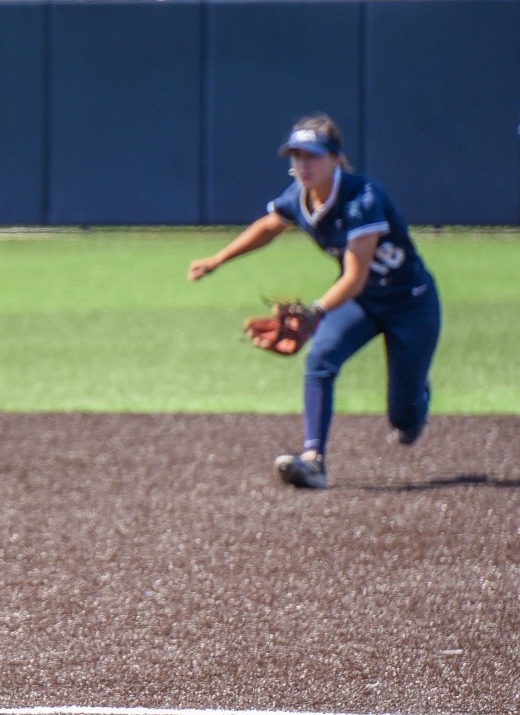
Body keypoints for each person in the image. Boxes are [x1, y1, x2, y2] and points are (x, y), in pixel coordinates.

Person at [188, 115, 441, 491]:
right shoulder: (300, 197)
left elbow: (354, 276)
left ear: (335, 158)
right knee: (320, 359)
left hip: (412, 306)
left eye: (312, 156)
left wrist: (315, 312)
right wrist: (218, 259)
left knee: (402, 416)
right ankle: (313, 461)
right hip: (365, 303)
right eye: (296, 156)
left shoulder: (363, 199)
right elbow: (269, 226)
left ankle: (417, 401)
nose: (303, 165)